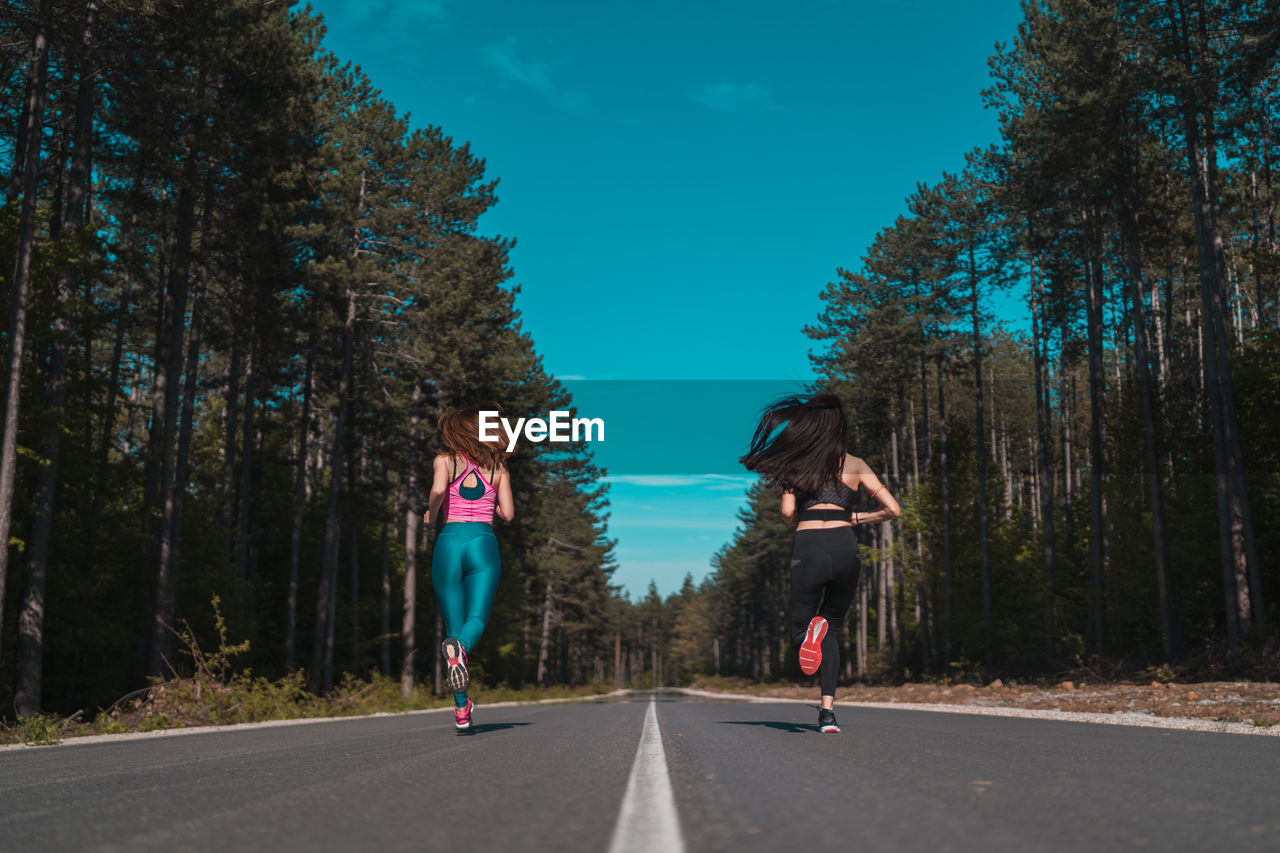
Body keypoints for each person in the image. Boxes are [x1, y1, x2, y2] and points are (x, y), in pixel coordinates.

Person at [740, 394, 900, 733]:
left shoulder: (797, 465)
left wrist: (797, 519)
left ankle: (810, 636)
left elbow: (786, 513)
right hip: (845, 549)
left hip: (809, 546)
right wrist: (856, 517)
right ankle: (827, 714)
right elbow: (893, 510)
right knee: (833, 627)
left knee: (802, 628)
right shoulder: (856, 464)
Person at [425, 406, 516, 731]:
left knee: (454, 626)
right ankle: (460, 653)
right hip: (482, 542)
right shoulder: (498, 467)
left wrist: (432, 513)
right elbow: (507, 514)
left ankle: (462, 709)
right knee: (474, 621)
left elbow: (438, 491)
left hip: (449, 542)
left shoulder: (444, 460)